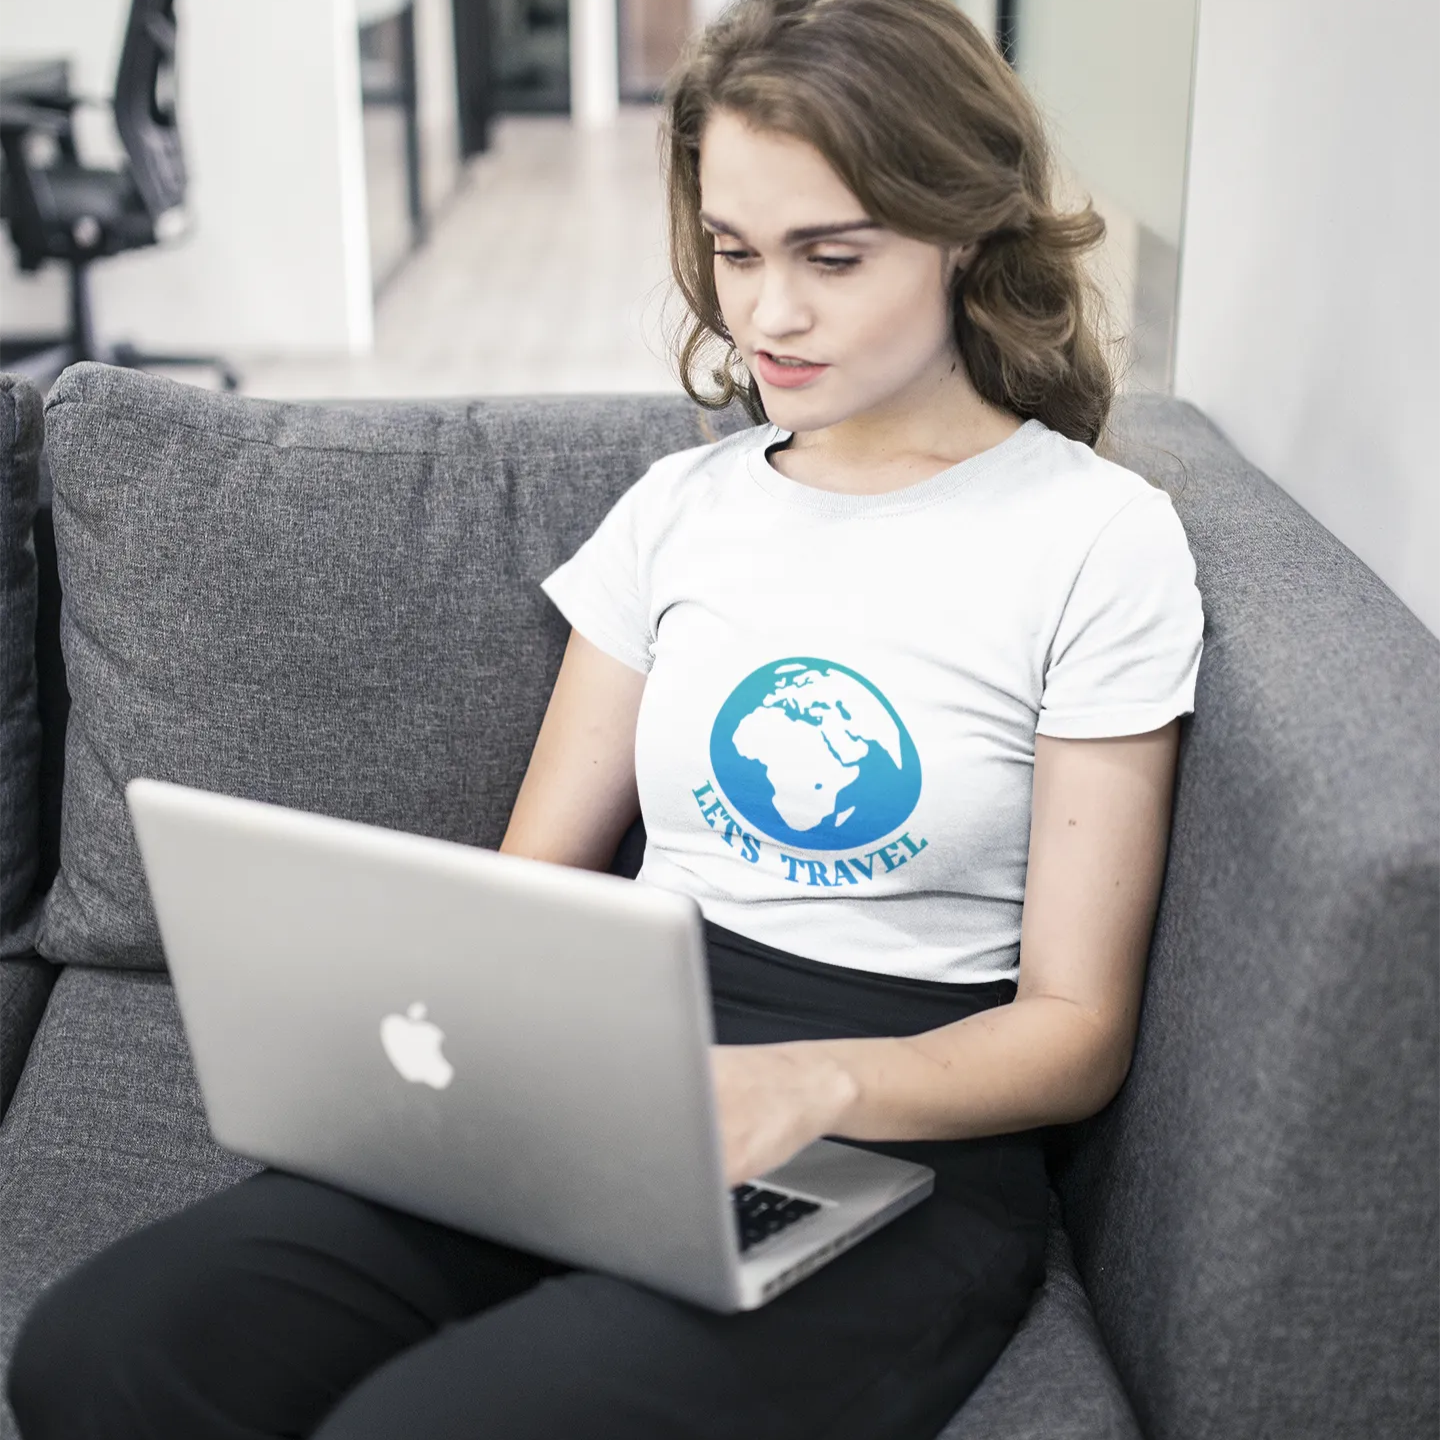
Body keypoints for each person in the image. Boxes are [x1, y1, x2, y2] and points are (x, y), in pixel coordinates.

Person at [6, 1, 1203, 1436]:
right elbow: (531, 893)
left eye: (831, 257)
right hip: (610, 1079)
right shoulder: (678, 512)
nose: (768, 315)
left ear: (965, 231)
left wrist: (804, 1086)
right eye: (736, 251)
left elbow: (1076, 1029)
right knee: (102, 1352)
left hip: (901, 1135)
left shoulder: (1095, 540)